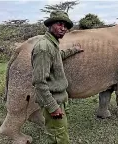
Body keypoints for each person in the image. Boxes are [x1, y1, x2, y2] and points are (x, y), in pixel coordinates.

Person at [31, 10, 84, 144]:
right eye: (59, 24)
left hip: (59, 98)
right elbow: (39, 82)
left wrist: (73, 50)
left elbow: (56, 57)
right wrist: (52, 107)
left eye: (65, 26)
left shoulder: (52, 44)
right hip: (53, 100)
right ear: (50, 25)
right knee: (58, 136)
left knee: (60, 132)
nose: (63, 28)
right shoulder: (43, 47)